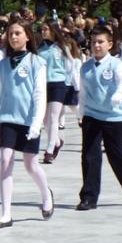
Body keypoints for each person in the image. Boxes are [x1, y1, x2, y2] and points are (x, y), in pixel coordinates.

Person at [0, 19, 53, 229]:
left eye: (18, 33)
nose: (14, 37)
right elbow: (1, 91)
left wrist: (36, 123)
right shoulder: (2, 64)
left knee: (30, 165)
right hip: (8, 119)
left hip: (29, 120)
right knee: (5, 161)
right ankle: (6, 214)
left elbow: (40, 94)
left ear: (27, 36)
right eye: (10, 34)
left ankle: (46, 194)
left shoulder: (37, 62)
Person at [76, 26, 122, 211]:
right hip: (92, 115)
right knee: (90, 156)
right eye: (93, 42)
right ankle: (89, 197)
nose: (96, 46)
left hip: (114, 117)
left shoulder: (116, 64)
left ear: (109, 44)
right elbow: (83, 92)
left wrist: (118, 95)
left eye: (100, 42)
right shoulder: (85, 67)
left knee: (116, 156)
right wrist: (81, 112)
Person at [38, 20, 72, 164]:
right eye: (41, 29)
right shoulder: (39, 49)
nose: (43, 31)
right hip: (43, 85)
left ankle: (49, 150)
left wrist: (68, 83)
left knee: (53, 118)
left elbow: (70, 65)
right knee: (45, 120)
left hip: (58, 83)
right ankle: (57, 142)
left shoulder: (62, 47)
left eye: (45, 29)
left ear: (53, 30)